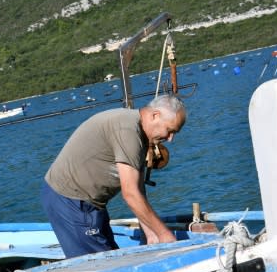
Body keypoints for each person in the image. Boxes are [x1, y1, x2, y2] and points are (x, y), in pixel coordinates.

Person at [41, 95, 187, 258]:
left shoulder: (138, 132)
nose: (170, 139)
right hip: (70, 200)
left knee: (111, 256)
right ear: (155, 115)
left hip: (93, 204)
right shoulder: (128, 131)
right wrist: (165, 235)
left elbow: (138, 188)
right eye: (170, 130)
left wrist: (151, 233)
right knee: (99, 267)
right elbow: (130, 194)